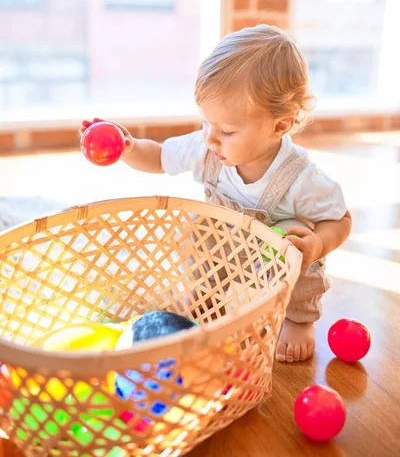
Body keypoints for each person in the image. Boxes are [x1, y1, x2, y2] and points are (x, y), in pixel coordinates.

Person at [80, 24, 352, 363]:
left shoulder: (301, 177)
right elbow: (159, 156)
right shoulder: (206, 147)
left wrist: (319, 244)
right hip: (226, 242)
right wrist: (128, 146)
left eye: (225, 130)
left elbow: (340, 218)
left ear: (279, 126)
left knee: (300, 250)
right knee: (199, 233)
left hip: (277, 250)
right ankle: (207, 299)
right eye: (205, 122)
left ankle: (299, 319)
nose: (210, 137)